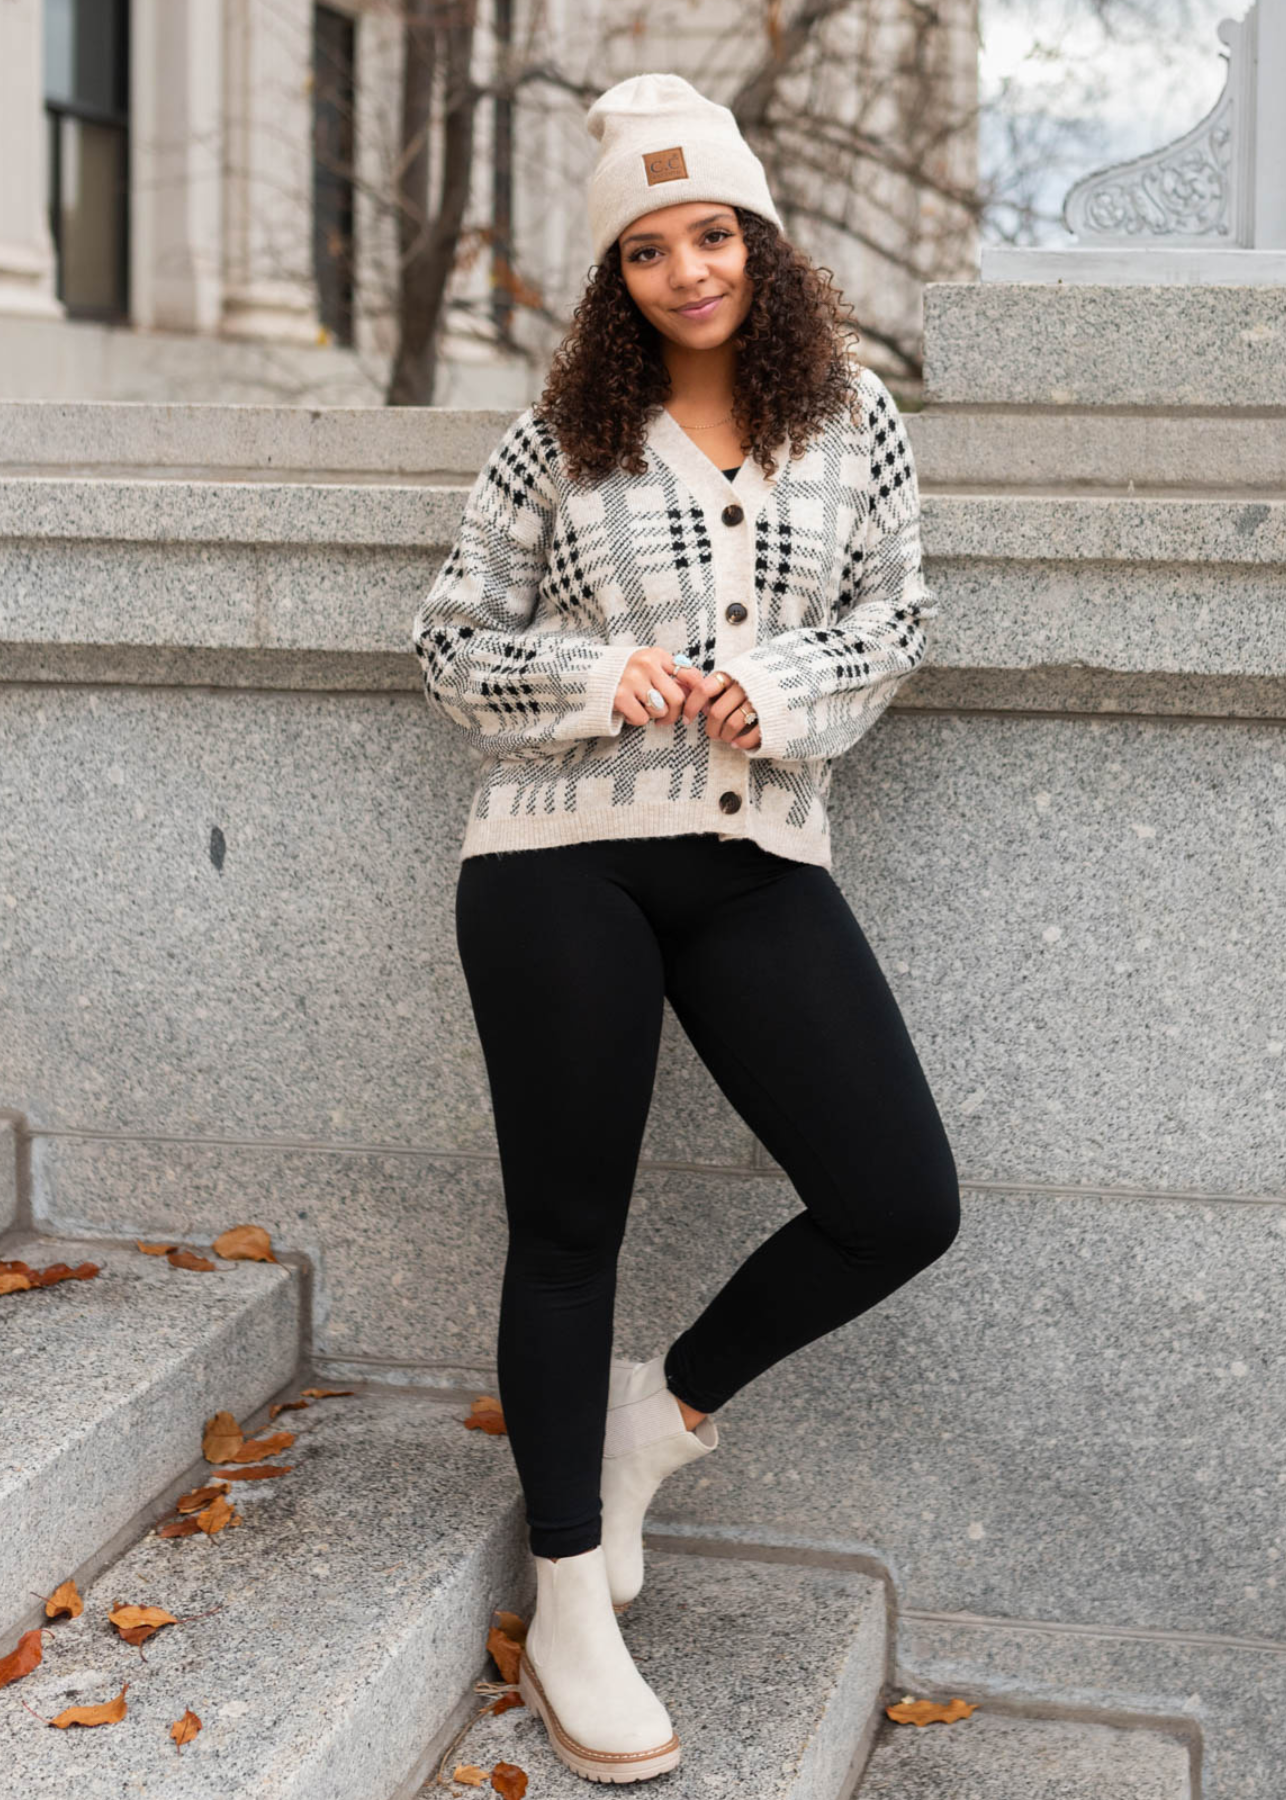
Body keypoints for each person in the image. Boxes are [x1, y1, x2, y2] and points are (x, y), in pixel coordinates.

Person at [410, 70, 961, 1786]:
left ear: (761, 242)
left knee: (895, 1199)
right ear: (615, 278)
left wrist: (778, 684)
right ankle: (569, 1589)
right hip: (556, 857)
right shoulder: (554, 439)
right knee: (564, 1230)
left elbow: (898, 609)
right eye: (646, 249)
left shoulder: (852, 422)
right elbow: (446, 635)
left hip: (754, 855)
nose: (687, 269)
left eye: (711, 232)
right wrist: (593, 673)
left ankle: (656, 1419)